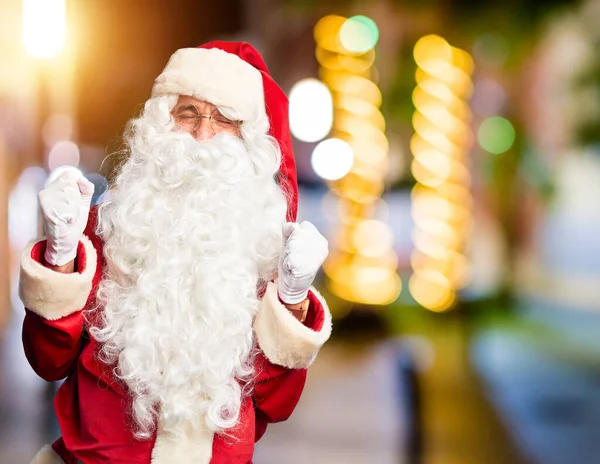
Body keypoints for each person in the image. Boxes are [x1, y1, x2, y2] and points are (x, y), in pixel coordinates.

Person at [19, 41, 332, 464]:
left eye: (224, 118)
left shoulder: (266, 255)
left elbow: (277, 404)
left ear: (250, 142)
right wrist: (60, 253)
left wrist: (292, 297)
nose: (203, 135)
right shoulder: (109, 229)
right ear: (161, 124)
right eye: (189, 113)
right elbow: (47, 360)